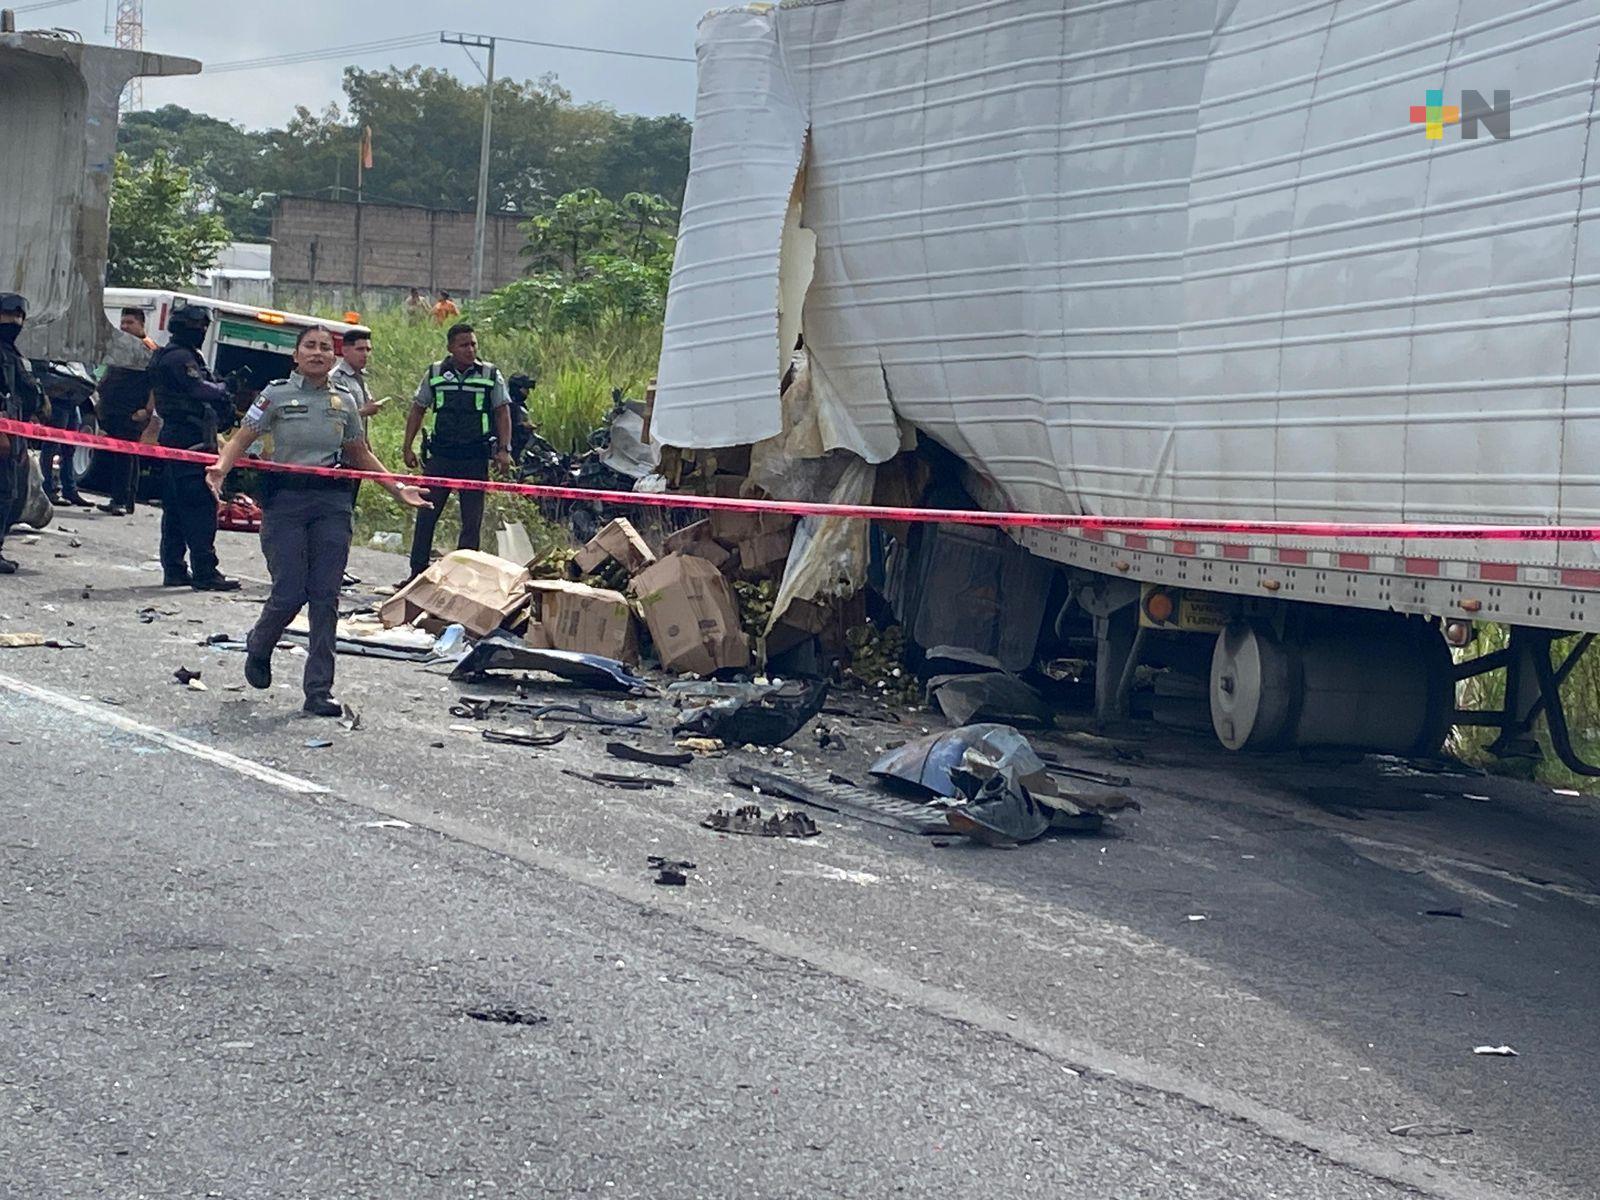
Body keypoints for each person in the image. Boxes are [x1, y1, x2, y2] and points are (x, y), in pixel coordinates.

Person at [207, 326, 428, 716]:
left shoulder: (344, 400)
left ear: (334, 357)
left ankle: (319, 690)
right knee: (290, 591)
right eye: (309, 346)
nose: (318, 352)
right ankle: (260, 644)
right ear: (296, 355)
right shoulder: (274, 394)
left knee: (326, 597)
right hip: (285, 502)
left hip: (331, 503)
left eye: (325, 347)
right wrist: (220, 469)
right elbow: (241, 439)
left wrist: (398, 489)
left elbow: (360, 453)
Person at [402, 321, 512, 580]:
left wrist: (504, 449)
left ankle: (464, 578)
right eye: (464, 345)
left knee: (471, 522)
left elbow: (502, 412)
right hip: (441, 456)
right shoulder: (435, 373)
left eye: (473, 344)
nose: (470, 349)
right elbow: (418, 409)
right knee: (426, 513)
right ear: (450, 348)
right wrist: (407, 447)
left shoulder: (489, 374)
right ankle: (417, 574)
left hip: (475, 457)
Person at [150, 303, 240, 591]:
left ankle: (175, 569)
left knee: (177, 509)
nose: (201, 331)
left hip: (183, 437)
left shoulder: (177, 354)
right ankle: (204, 571)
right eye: (199, 326)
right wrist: (225, 388)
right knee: (199, 506)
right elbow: (198, 389)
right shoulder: (179, 358)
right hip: (189, 439)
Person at [0, 293, 46, 575]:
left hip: (14, 433)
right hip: (4, 433)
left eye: (18, 317)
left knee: (9, 492)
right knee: (3, 492)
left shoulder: (12, 353)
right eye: (8, 315)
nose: (14, 322)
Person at [96, 307, 157, 516]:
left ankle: (122, 501)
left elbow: (155, 383)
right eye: (123, 323)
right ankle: (120, 499)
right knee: (120, 456)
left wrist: (147, 410)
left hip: (132, 412)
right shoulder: (121, 346)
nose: (124, 327)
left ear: (141, 324)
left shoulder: (148, 348)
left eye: (130, 323)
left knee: (125, 456)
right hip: (114, 410)